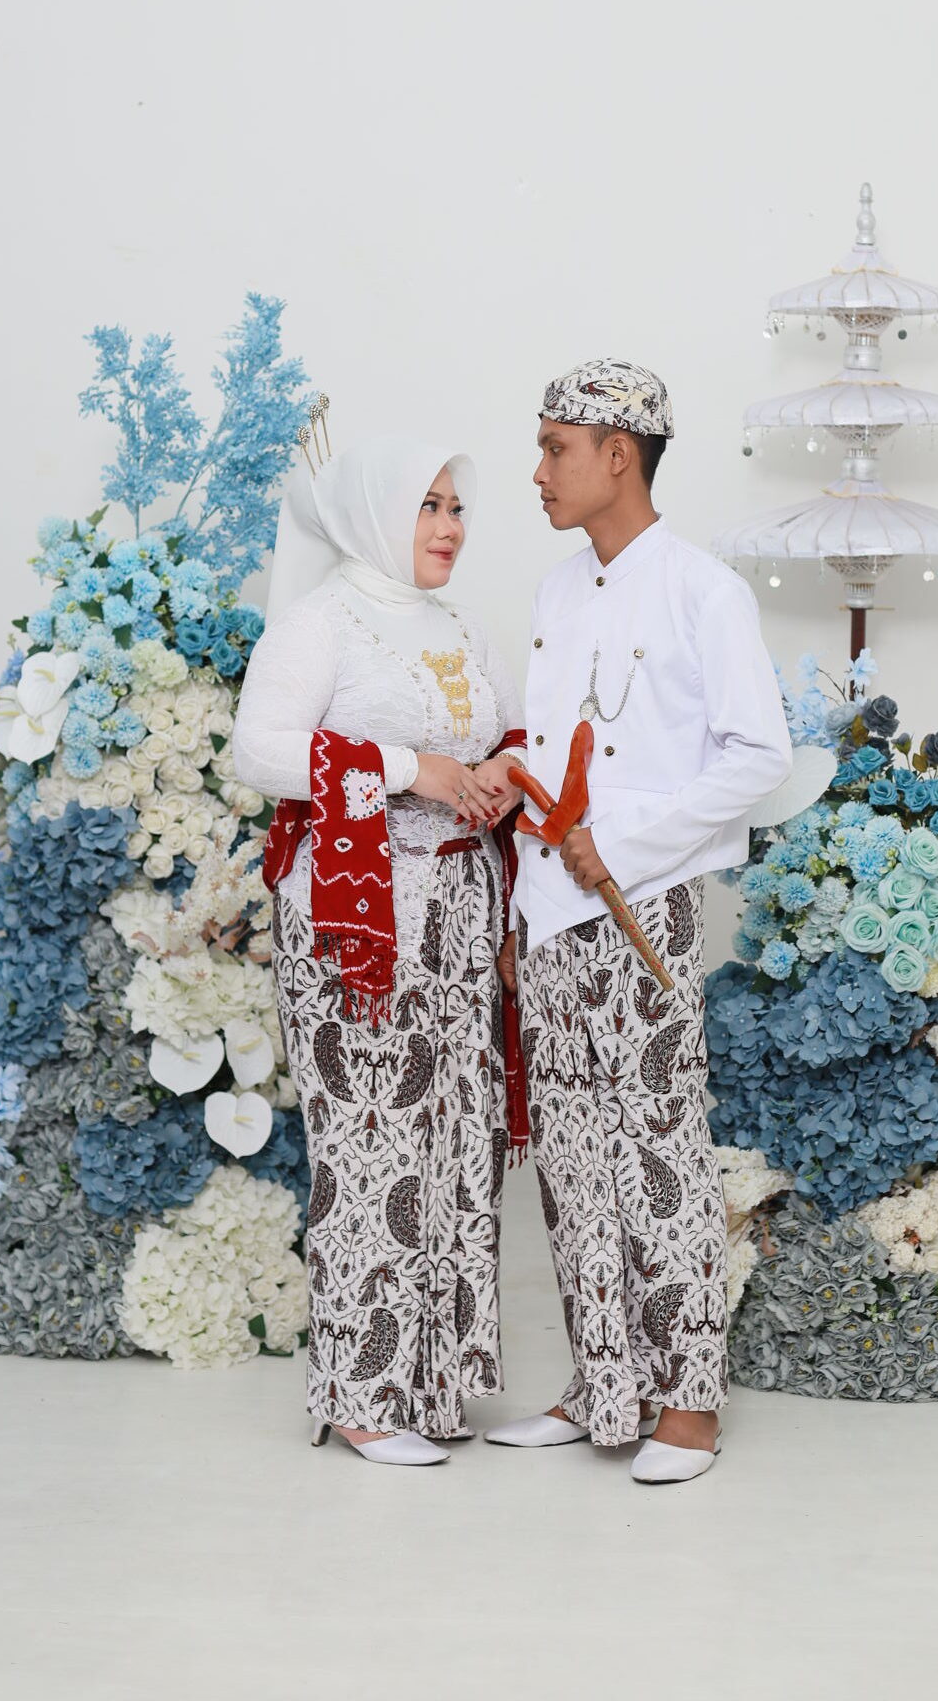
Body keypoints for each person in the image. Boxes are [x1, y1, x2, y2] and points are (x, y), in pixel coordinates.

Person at [484, 359, 792, 1484]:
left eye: (555, 447)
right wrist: (521, 908)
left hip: (642, 908)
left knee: (658, 1151)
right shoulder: (556, 593)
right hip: (552, 909)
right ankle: (601, 1386)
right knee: (571, 1160)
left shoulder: (706, 591)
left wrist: (624, 845)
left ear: (620, 455)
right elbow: (544, 760)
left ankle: (689, 1404)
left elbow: (759, 755)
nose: (538, 470)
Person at [232, 430, 526, 1467]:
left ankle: (431, 1384)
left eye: (456, 508)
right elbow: (258, 749)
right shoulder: (322, 622)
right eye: (427, 507)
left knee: (455, 1139)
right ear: (372, 514)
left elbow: (509, 735)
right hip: (357, 921)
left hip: (461, 912)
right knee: (370, 1141)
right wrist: (412, 768)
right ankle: (361, 1392)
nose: (449, 528)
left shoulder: (460, 624)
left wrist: (500, 774)